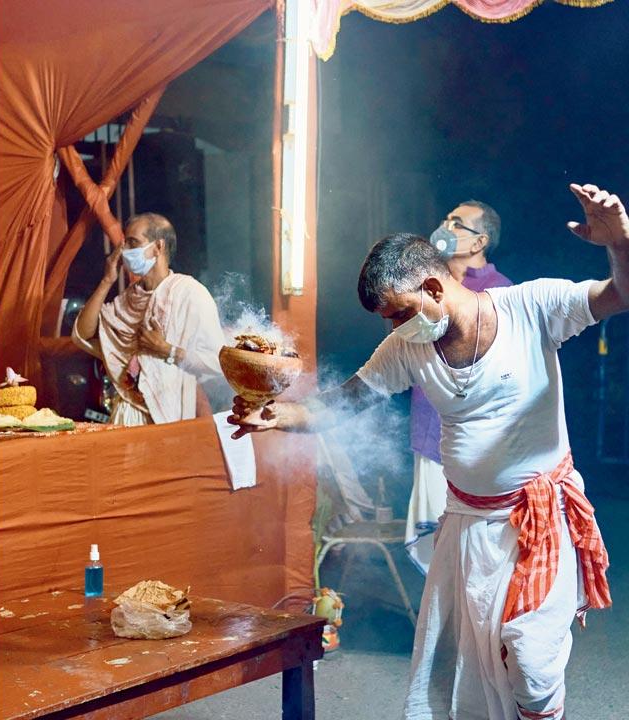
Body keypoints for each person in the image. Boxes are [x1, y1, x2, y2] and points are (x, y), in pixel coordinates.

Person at [229, 184, 625, 720]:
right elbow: (347, 401)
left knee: (530, 663)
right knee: (459, 673)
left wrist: (620, 244)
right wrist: (279, 415)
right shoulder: (408, 346)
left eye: (398, 313)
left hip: (538, 519)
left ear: (434, 288)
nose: (394, 328)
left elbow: (618, 296)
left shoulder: (531, 306)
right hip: (464, 524)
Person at [407, 200, 512, 573]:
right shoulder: (429, 286)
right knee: (435, 551)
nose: (444, 227)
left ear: (479, 241)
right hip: (429, 432)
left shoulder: (500, 293)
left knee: (473, 553)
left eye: (457, 223)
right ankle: (442, 627)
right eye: (445, 219)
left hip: (474, 445)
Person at [71, 212, 227, 424]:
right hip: (126, 414)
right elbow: (83, 333)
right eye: (125, 244)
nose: (125, 251)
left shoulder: (189, 293)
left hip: (170, 418)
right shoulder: (128, 298)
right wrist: (107, 280)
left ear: (158, 247)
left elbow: (219, 362)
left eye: (133, 243)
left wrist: (168, 351)